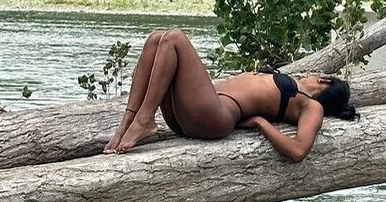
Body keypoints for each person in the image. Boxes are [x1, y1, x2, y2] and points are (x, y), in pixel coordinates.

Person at [102, 28, 358, 161]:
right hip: (191, 114)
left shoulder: (313, 107)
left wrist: (260, 123)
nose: (309, 74)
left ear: (324, 81)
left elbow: (299, 151)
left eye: (315, 74)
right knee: (156, 38)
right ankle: (127, 123)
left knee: (174, 38)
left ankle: (145, 120)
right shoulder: (298, 90)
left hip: (214, 117)